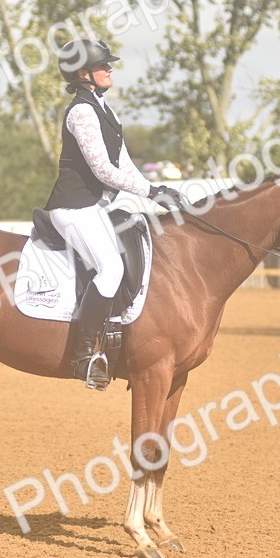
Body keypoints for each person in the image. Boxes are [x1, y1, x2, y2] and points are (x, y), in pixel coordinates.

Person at [44, 39, 182, 389]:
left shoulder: (105, 108)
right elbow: (103, 170)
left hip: (98, 206)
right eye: (104, 65)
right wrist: (150, 192)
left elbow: (123, 163)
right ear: (82, 73)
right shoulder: (81, 112)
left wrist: (157, 192)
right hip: (73, 207)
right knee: (111, 269)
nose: (111, 69)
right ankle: (83, 356)